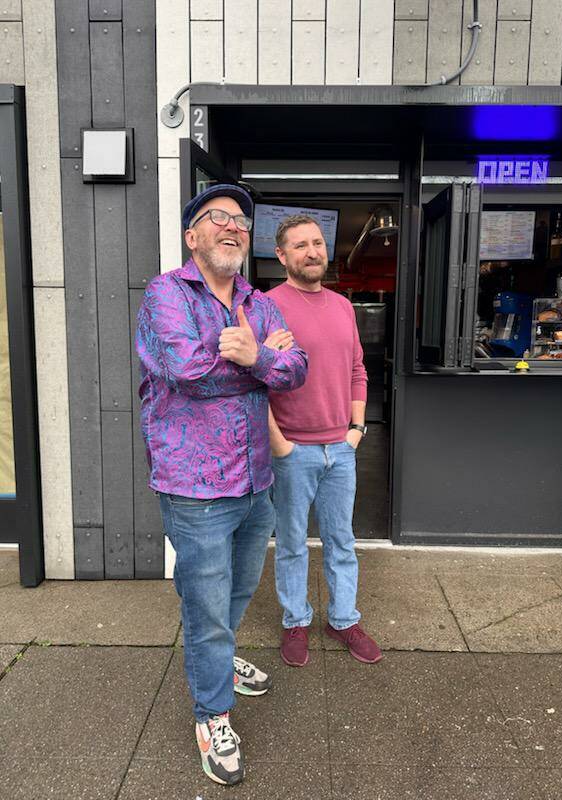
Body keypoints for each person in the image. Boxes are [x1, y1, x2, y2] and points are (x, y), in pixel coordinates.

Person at [135, 185, 307, 787]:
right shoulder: (166, 294)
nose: (233, 227)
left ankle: (218, 660)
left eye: (241, 220)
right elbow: (184, 371)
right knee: (206, 606)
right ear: (193, 236)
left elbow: (296, 369)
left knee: (235, 591)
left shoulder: (259, 303)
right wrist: (259, 363)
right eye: (219, 219)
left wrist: (256, 357)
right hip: (194, 485)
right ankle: (212, 714)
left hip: (254, 480)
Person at [267, 214, 382, 668]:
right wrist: (279, 444)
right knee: (292, 542)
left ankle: (343, 619)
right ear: (282, 256)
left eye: (317, 243)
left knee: (341, 540)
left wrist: (356, 430)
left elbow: (357, 370)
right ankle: (296, 621)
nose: (312, 251)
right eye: (300, 245)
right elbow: (256, 380)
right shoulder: (265, 306)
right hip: (293, 449)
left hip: (341, 448)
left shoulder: (343, 306)